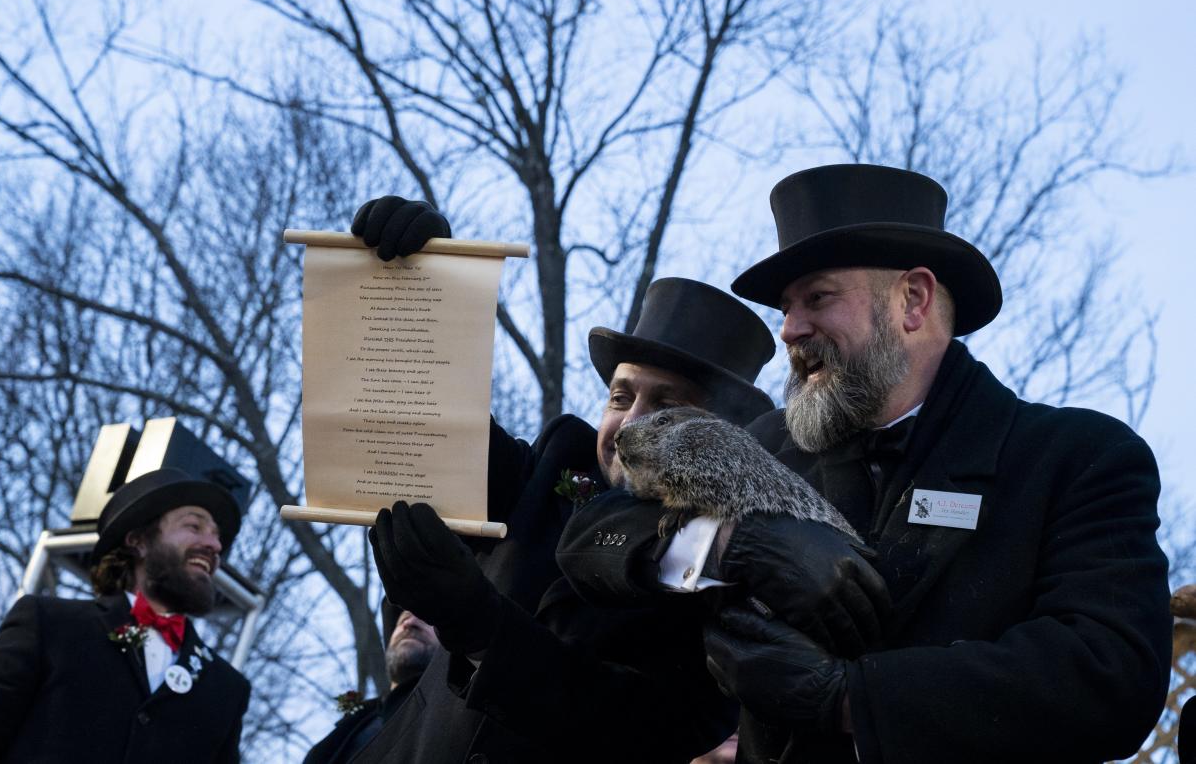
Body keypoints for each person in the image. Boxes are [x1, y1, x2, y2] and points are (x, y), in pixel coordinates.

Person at [557, 163, 1173, 763]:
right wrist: (730, 545)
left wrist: (848, 698)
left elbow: (1110, 674)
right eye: (786, 309)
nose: (790, 330)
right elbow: (592, 539)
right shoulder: (769, 443)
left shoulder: (1073, 457)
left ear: (912, 299)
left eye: (817, 298)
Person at [344, 196, 872, 762]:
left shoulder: (733, 571)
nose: (632, 424)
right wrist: (419, 287)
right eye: (621, 397)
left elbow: (639, 726)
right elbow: (424, 428)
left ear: (722, 439)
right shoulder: (551, 469)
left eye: (668, 405)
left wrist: (478, 624)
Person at [0, 467, 251, 762]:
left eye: (216, 536)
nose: (214, 546)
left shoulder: (226, 688)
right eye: (194, 526)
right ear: (139, 541)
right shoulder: (49, 623)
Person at [304, 607, 440, 764]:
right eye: (402, 620)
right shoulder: (344, 734)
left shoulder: (459, 709)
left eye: (425, 618)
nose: (409, 622)